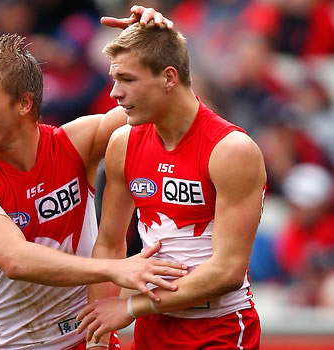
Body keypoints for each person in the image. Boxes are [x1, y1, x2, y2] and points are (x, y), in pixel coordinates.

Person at [0, 12, 187, 350]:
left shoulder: (75, 143)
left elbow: (166, 100)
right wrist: (113, 270)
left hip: (91, 341)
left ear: (24, 103)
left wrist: (156, 47)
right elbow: (16, 260)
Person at [75, 20, 266, 350]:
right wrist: (98, 341)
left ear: (168, 77)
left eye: (127, 79)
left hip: (217, 329)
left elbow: (227, 272)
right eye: (114, 79)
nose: (114, 92)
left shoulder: (232, 150)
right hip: (153, 328)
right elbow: (108, 246)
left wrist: (130, 307)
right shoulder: (123, 143)